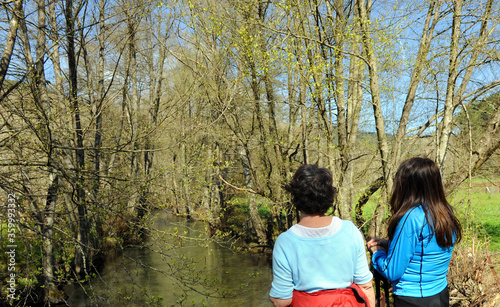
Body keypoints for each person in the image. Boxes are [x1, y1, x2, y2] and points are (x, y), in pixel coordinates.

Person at [269, 164, 375, 307]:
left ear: (295, 198)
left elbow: (281, 301)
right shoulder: (350, 230)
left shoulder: (285, 241)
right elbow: (365, 286)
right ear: (329, 196)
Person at [367, 157, 462, 307]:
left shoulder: (412, 217)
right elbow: (425, 250)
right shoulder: (445, 212)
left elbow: (391, 271)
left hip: (413, 299)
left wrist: (377, 252)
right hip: (440, 294)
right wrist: (390, 244)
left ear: (408, 186)